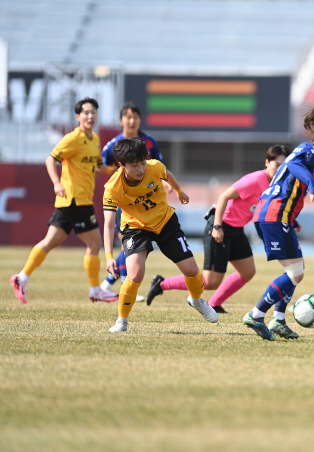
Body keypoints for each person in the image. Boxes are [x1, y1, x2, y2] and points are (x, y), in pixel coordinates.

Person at [241, 102, 314, 341]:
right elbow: (293, 165)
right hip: (273, 215)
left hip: (276, 215)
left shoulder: (307, 153)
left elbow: (288, 183)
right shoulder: (309, 152)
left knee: (296, 272)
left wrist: (292, 218)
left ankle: (278, 319)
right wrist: (313, 186)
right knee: (294, 271)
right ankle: (257, 314)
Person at [145, 145, 290, 313]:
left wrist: (291, 222)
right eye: (277, 165)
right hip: (221, 226)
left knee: (248, 272)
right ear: (267, 163)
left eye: (284, 166)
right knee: (211, 281)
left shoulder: (277, 185)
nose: (280, 169)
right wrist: (217, 226)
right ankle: (161, 284)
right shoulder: (255, 180)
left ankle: (214, 303)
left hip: (236, 230)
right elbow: (224, 197)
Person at [103, 137, 218, 332]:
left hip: (165, 222)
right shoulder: (112, 188)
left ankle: (197, 300)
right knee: (135, 274)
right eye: (134, 165)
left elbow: (168, 174)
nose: (140, 169)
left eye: (142, 163)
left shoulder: (153, 167)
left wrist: (180, 191)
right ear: (121, 165)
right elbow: (107, 224)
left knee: (191, 270)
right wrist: (108, 257)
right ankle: (121, 321)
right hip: (135, 228)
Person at [10, 97, 119, 304]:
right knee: (95, 243)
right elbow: (50, 159)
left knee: (51, 242)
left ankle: (21, 277)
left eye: (93, 112)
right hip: (75, 200)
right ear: (78, 117)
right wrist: (56, 183)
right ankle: (95, 290)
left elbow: (96, 166)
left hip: (75, 201)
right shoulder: (72, 138)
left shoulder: (94, 139)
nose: (90, 116)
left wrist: (115, 168)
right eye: (86, 112)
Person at [99, 101, 167, 299]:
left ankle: (110, 283)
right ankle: (124, 283)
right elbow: (99, 165)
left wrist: (168, 183)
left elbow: (159, 166)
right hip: (125, 198)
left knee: (133, 243)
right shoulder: (114, 144)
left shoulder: (149, 141)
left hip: (147, 198)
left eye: (135, 117)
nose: (132, 121)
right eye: (128, 117)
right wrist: (118, 171)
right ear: (121, 120)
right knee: (128, 240)